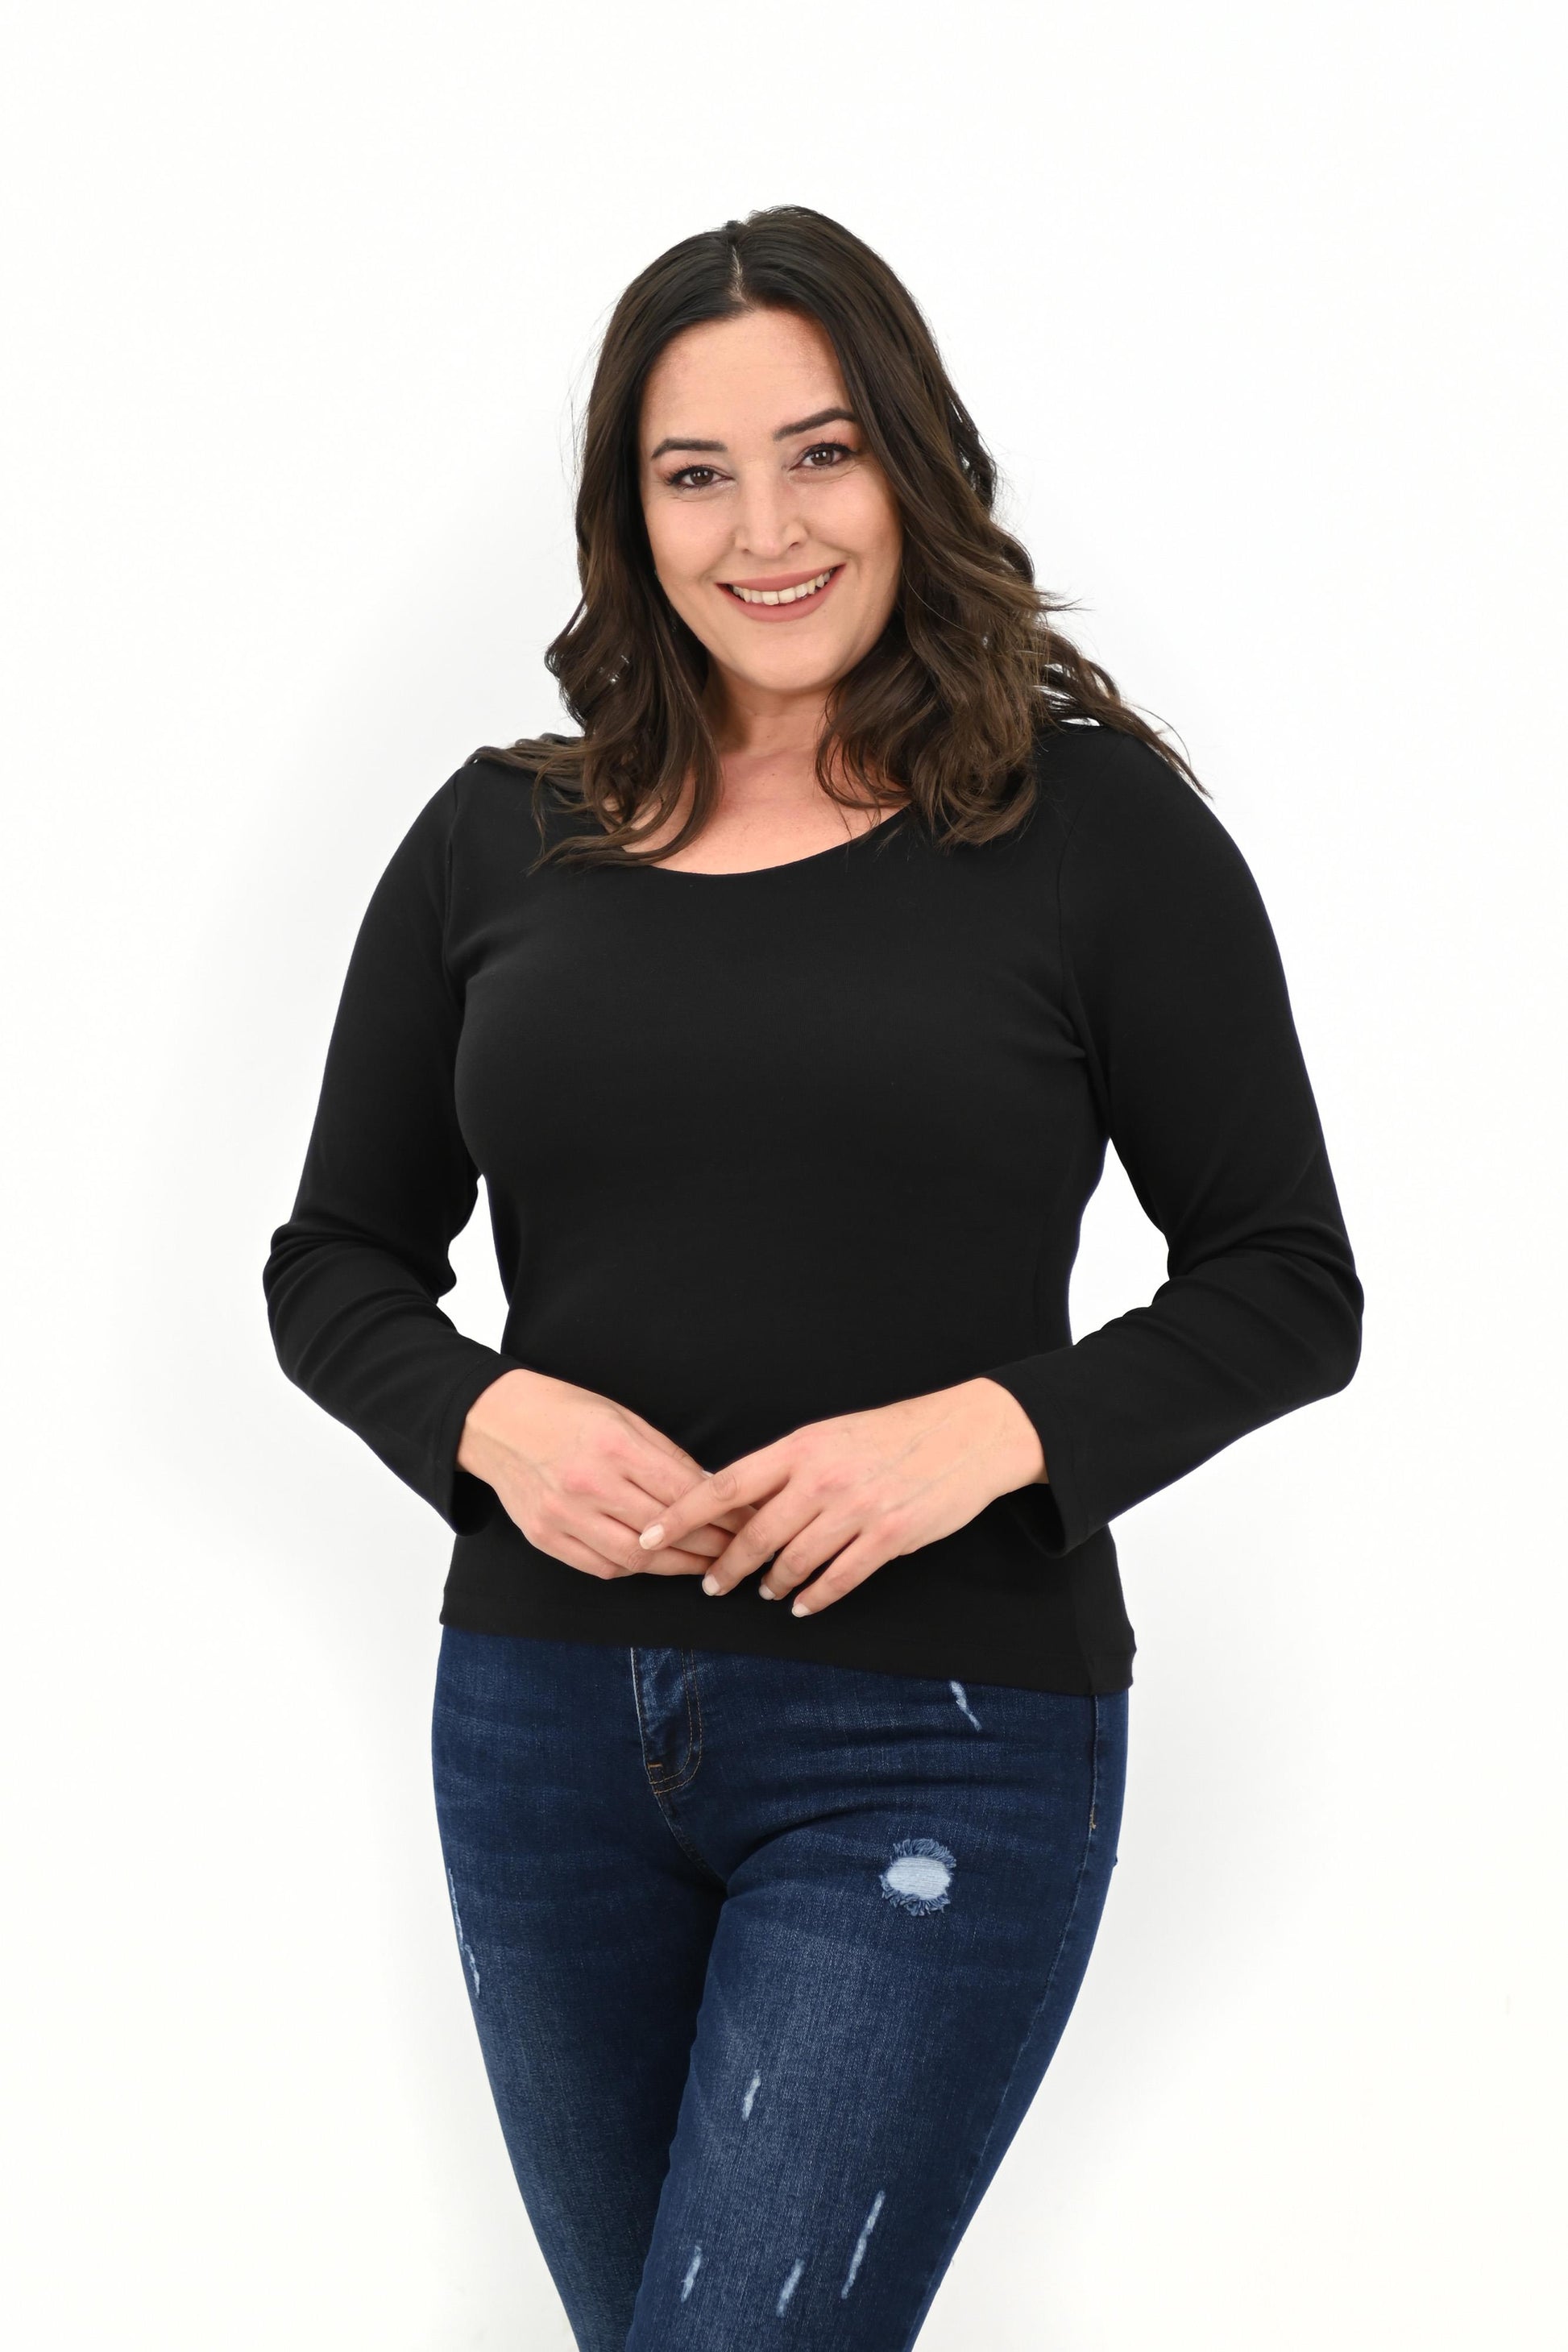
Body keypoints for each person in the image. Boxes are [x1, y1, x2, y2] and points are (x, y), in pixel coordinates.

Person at [263, 205, 1362, 2351]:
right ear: (630, 513)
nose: (764, 531)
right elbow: (336, 1264)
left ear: (913, 466)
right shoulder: (499, 838)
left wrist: (986, 1434)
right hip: (541, 1731)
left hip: (936, 1735)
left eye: (821, 453)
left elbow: (1285, 1280)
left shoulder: (1089, 832)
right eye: (696, 473)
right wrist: (487, 1416)